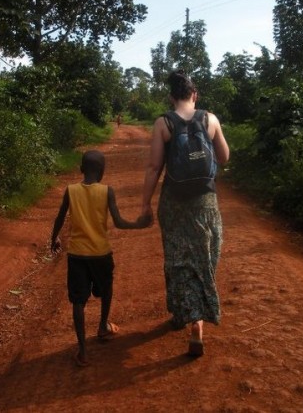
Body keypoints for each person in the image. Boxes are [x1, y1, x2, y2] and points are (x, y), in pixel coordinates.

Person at [141, 70, 230, 357]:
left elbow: (154, 168)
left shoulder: (163, 123)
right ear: (195, 94)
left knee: (179, 258)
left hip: (174, 202)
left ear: (171, 96)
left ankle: (183, 313)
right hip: (206, 201)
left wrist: (144, 204)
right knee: (204, 255)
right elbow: (224, 157)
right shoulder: (210, 119)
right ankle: (199, 321)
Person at [51, 149, 150, 367]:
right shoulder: (107, 191)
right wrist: (139, 224)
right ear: (102, 171)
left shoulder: (71, 190)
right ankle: (103, 325)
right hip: (101, 253)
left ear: (81, 169)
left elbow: (60, 217)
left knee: (78, 301)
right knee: (106, 289)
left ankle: (83, 352)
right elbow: (119, 222)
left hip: (77, 254)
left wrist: (54, 238)